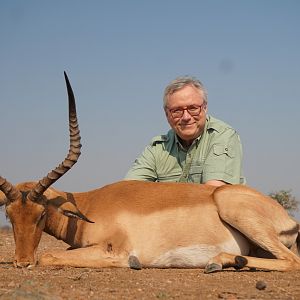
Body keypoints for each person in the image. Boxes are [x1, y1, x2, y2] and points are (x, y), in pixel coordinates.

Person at [125, 76, 245, 186]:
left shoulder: (223, 136)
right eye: (177, 110)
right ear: (167, 115)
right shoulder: (158, 147)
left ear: (205, 108)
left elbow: (212, 193)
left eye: (193, 108)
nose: (186, 117)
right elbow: (126, 190)